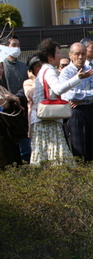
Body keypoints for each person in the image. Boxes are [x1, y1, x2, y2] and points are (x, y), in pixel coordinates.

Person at [30, 38, 93, 165]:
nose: (60, 56)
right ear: (50, 56)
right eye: (58, 53)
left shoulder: (44, 69)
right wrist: (78, 78)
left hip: (43, 119)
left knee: (45, 158)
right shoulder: (49, 70)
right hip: (47, 122)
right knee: (57, 158)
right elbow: (58, 89)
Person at [60, 42, 93, 162]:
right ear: (70, 55)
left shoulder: (89, 70)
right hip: (75, 111)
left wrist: (82, 98)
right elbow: (69, 94)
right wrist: (87, 95)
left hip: (90, 109)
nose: (80, 57)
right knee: (79, 146)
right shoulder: (66, 72)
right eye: (77, 54)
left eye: (83, 54)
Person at [0, 35, 30, 163]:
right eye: (13, 45)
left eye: (18, 45)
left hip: (16, 114)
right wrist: (8, 98)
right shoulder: (5, 65)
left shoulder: (23, 67)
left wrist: (15, 98)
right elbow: (4, 103)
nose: (16, 48)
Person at [0, 62, 27, 169]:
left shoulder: (1, 87)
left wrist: (11, 98)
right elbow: (4, 104)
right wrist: (11, 99)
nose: (1, 70)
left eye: (1, 66)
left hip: (8, 130)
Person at [23, 55, 42, 138]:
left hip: (51, 115)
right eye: (38, 66)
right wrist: (35, 79)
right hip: (37, 117)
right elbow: (32, 96)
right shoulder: (28, 83)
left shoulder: (50, 79)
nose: (41, 68)